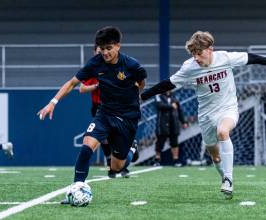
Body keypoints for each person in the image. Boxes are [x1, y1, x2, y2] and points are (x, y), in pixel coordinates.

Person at [141, 31, 266, 199]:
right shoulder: (189, 67)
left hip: (228, 108)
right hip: (206, 114)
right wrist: (142, 96)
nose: (197, 58)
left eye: (199, 53)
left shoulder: (225, 58)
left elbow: (253, 58)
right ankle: (223, 175)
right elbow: (167, 84)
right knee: (214, 155)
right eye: (193, 54)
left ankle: (228, 179)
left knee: (223, 131)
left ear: (210, 50)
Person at [38, 26, 146, 204]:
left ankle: (131, 149)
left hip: (127, 118)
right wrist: (53, 102)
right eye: (102, 49)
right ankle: (77, 188)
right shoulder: (95, 63)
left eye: (109, 48)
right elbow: (73, 83)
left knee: (117, 167)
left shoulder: (132, 65)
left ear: (118, 46)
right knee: (87, 144)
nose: (105, 53)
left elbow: (141, 83)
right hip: (105, 113)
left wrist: (133, 95)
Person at [78, 45, 138, 177]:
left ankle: (125, 156)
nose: (103, 54)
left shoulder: (119, 65)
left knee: (115, 139)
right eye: (99, 51)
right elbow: (81, 88)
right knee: (102, 139)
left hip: (118, 109)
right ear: (95, 52)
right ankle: (110, 162)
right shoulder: (94, 67)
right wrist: (97, 86)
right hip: (99, 108)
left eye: (106, 50)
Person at [153, 91, 187, 167]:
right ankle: (157, 160)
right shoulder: (158, 96)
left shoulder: (174, 97)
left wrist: (183, 122)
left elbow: (179, 110)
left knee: (174, 142)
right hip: (162, 123)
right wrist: (171, 106)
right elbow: (159, 105)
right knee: (160, 142)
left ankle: (176, 160)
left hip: (174, 122)